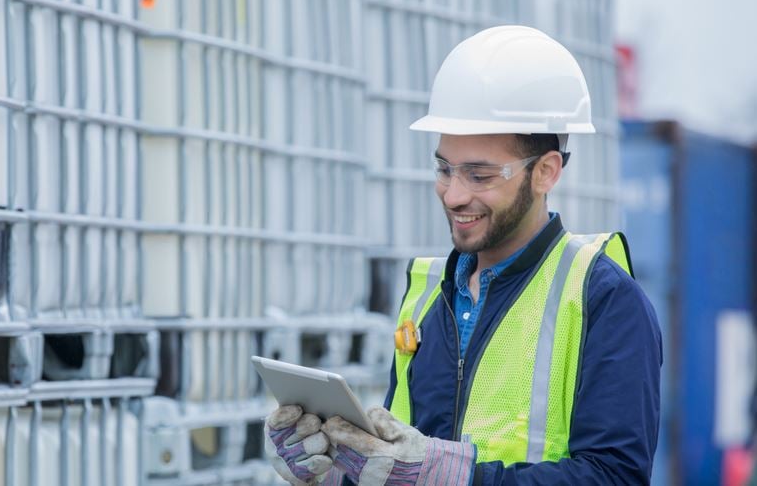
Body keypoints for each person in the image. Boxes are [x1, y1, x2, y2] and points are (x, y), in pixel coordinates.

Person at [264, 25, 662, 485]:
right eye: (444, 168)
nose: (453, 195)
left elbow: (615, 477)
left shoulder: (605, 299)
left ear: (545, 173)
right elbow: (408, 470)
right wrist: (335, 471)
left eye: (479, 175)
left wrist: (459, 477)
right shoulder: (428, 294)